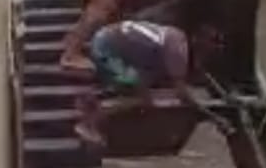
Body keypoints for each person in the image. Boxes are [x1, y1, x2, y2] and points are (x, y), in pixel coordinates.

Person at [74, 16, 223, 146]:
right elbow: (183, 94)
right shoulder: (178, 52)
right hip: (107, 51)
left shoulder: (177, 36)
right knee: (143, 99)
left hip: (107, 38)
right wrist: (214, 116)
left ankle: (90, 97)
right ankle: (91, 123)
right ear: (198, 42)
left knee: (144, 80)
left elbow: (198, 71)